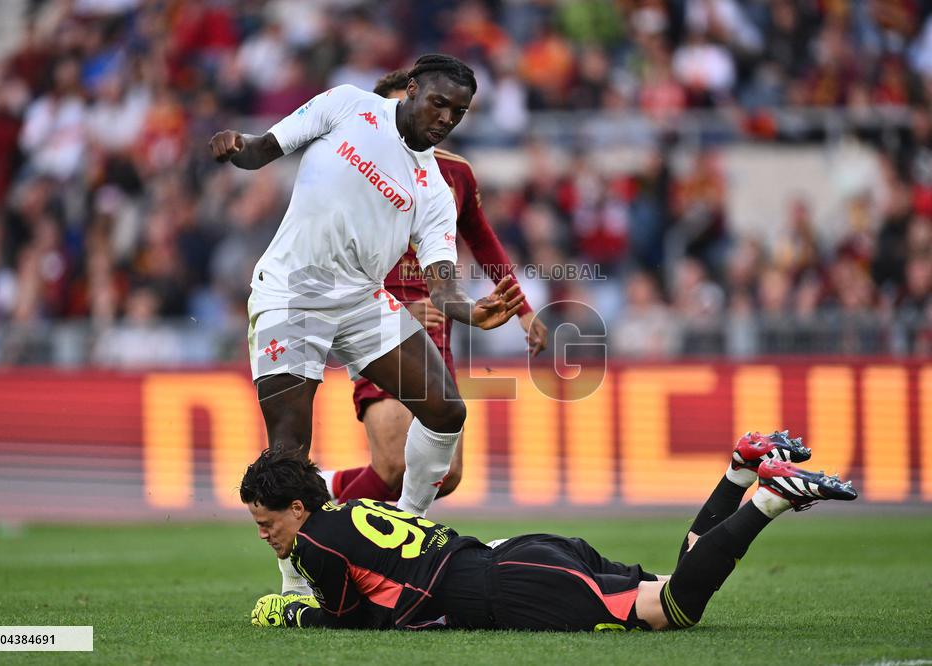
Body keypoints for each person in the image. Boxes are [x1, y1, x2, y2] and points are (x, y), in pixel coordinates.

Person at [210, 53, 523, 596]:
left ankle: (408, 525)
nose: (447, 117)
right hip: (293, 292)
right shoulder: (347, 105)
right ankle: (296, 584)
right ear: (410, 90)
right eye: (439, 102)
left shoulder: (432, 189)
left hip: (361, 299)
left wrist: (470, 311)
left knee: (446, 409)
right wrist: (237, 146)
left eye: (460, 111)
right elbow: (264, 149)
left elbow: (442, 283)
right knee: (288, 449)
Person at [240, 431, 857, 631]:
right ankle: (739, 470)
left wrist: (290, 614)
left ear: (297, 507)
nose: (266, 535)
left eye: (267, 522)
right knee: (673, 584)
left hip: (508, 587)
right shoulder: (348, 508)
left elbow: (347, 623)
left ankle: (768, 498)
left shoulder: (315, 543)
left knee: (675, 609)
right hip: (517, 552)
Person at [327, 70, 549, 505]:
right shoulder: (353, 169)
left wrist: (522, 310)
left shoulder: (455, 173)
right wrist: (393, 310)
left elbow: (483, 241)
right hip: (372, 323)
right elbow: (332, 258)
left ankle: (324, 488)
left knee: (444, 474)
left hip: (436, 328)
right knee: (394, 465)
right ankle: (330, 550)